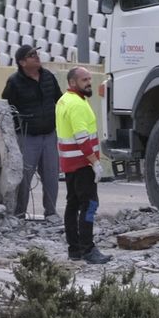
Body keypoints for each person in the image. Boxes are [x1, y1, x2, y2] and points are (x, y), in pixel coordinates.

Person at [1, 46, 62, 220]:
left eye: (37, 54)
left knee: (51, 176)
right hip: (27, 137)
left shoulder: (48, 77)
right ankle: (19, 214)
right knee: (24, 178)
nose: (36, 57)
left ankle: (51, 212)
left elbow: (59, 99)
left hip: (49, 135)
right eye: (31, 55)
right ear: (22, 62)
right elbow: (7, 108)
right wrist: (18, 130)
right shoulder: (14, 82)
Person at [57, 67, 109, 264]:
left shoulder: (64, 100)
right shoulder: (77, 105)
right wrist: (95, 163)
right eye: (84, 80)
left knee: (73, 205)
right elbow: (82, 138)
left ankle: (74, 249)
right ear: (72, 83)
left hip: (70, 164)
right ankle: (88, 250)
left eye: (89, 79)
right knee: (89, 204)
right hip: (82, 164)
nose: (89, 82)